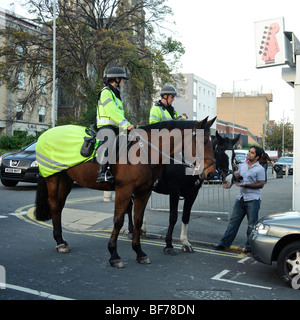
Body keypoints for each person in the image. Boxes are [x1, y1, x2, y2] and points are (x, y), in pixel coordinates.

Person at [215, 146, 265, 253]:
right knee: (233, 222)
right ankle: (224, 243)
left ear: (257, 157)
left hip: (253, 200)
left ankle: (249, 246)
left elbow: (261, 184)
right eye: (249, 152)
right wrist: (235, 177)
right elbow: (237, 178)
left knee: (251, 225)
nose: (249, 154)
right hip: (241, 198)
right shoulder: (242, 166)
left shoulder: (260, 169)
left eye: (252, 153)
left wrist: (246, 185)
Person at [96, 67, 134, 183]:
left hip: (117, 126)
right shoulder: (106, 92)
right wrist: (126, 124)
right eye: (122, 79)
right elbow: (112, 111)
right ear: (116, 79)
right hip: (106, 126)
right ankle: (103, 173)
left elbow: (118, 113)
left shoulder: (115, 94)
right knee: (109, 141)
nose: (122, 82)